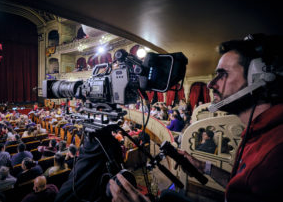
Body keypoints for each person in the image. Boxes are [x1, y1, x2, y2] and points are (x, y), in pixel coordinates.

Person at [110, 34, 283, 202]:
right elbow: (240, 185)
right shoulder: (258, 131)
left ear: (259, 77)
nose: (210, 84)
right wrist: (204, 167)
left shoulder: (273, 155)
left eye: (222, 74)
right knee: (168, 196)